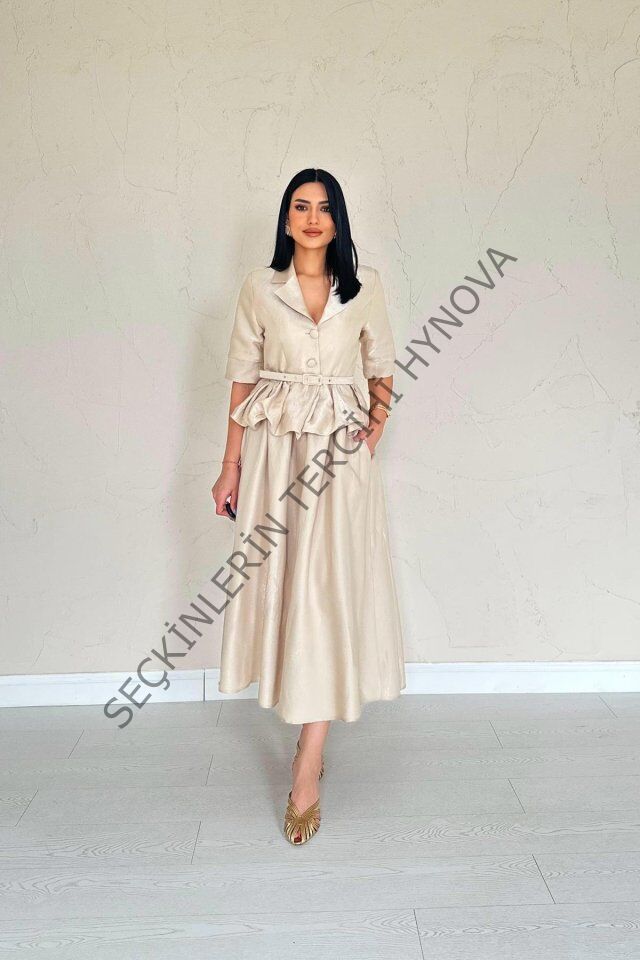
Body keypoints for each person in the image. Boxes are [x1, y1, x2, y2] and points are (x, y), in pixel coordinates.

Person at [211, 167, 405, 844]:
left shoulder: (365, 286)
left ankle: (308, 762)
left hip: (340, 465)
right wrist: (230, 466)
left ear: (338, 219)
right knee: (289, 586)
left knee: (330, 591)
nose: (313, 217)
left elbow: (383, 368)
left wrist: (370, 434)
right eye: (301, 206)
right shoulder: (260, 289)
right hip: (274, 457)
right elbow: (241, 379)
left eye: (324, 207)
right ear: (286, 218)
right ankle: (301, 726)